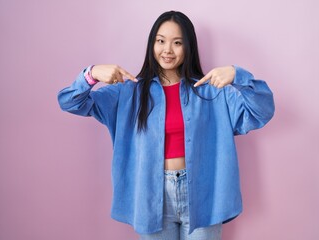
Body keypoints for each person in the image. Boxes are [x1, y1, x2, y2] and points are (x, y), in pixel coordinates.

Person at [58, 10, 274, 240]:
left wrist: (237, 75)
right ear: (152, 44)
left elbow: (261, 112)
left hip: (205, 194)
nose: (167, 50)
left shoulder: (211, 91)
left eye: (177, 42)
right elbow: (69, 101)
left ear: (188, 47)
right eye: (160, 41)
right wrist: (91, 74)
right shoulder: (129, 92)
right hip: (151, 196)